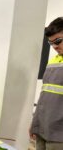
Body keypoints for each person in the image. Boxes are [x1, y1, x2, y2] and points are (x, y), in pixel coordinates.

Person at [30, 17, 63, 149]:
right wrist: (35, 123)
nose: (55, 46)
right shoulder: (53, 62)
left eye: (58, 41)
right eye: (51, 43)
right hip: (42, 131)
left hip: (59, 136)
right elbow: (44, 96)